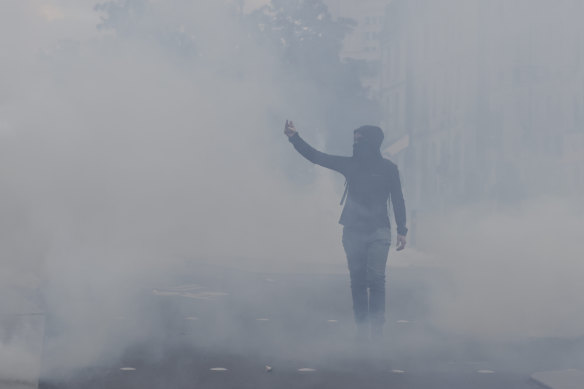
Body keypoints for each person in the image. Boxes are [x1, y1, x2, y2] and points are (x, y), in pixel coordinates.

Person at [284, 120, 407, 340]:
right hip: (352, 230)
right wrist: (294, 138)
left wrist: (402, 229)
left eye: (360, 140)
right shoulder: (351, 165)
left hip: (379, 230)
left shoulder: (389, 169)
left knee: (376, 279)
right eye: (354, 140)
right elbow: (317, 156)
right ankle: (362, 328)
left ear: (372, 142)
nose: (355, 144)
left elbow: (398, 199)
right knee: (358, 280)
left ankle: (377, 329)